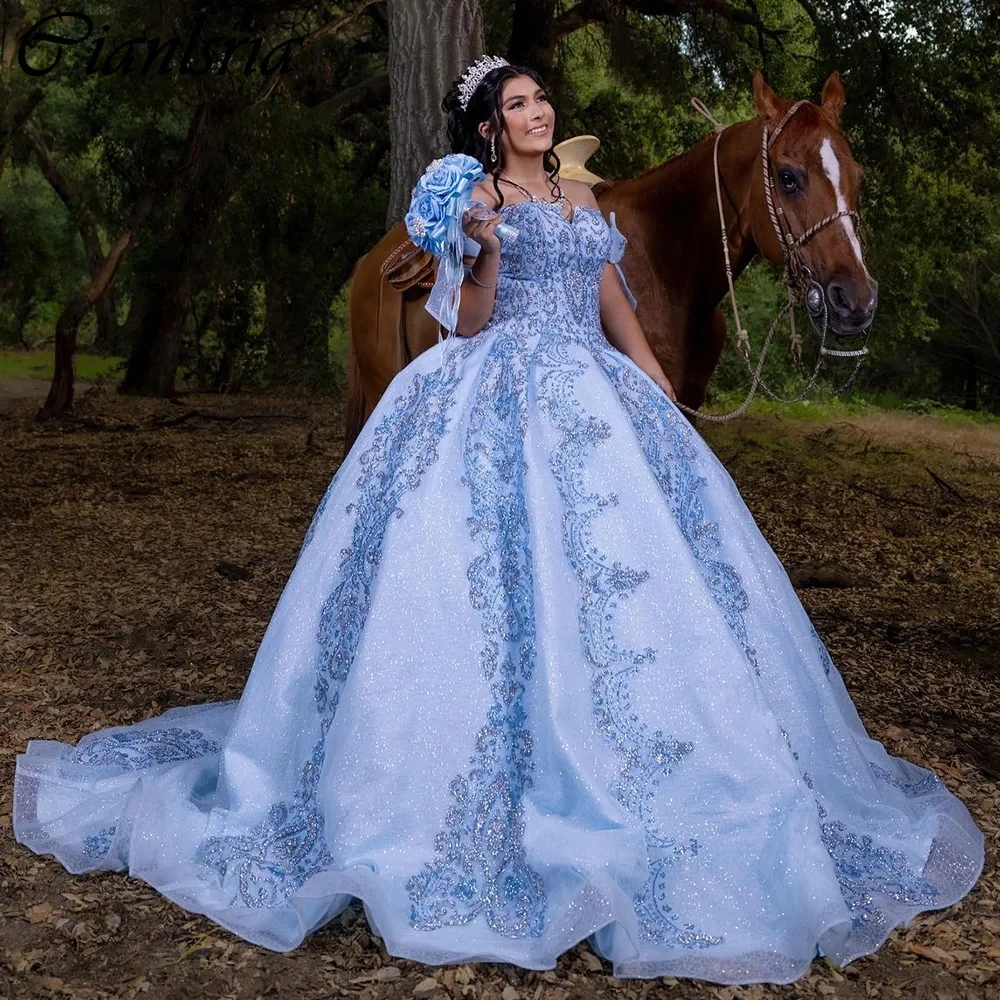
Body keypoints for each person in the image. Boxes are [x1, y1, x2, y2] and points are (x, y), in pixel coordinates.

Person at [13, 56, 983, 986]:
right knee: (485, 579)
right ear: (491, 128)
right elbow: (469, 323)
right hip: (492, 391)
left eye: (541, 102)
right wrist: (471, 250)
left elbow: (616, 311)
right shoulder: (478, 202)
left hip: (592, 399)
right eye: (520, 106)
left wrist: (659, 407)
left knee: (626, 593)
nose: (538, 114)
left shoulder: (582, 201)